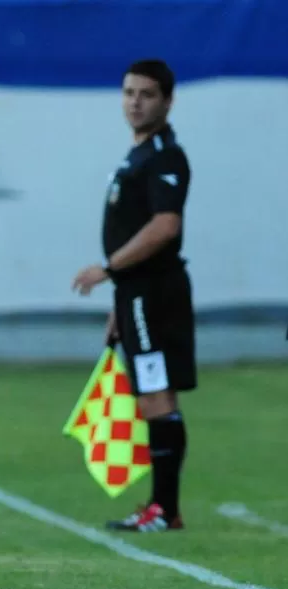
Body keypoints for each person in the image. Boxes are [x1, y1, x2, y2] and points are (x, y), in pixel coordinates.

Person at [72, 59, 194, 533]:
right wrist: (120, 304)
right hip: (137, 296)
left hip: (155, 294)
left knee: (157, 395)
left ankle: (165, 509)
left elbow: (166, 226)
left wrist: (107, 270)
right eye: (128, 92)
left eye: (146, 94)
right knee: (149, 396)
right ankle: (162, 507)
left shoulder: (167, 156)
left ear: (168, 100)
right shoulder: (139, 155)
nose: (135, 102)